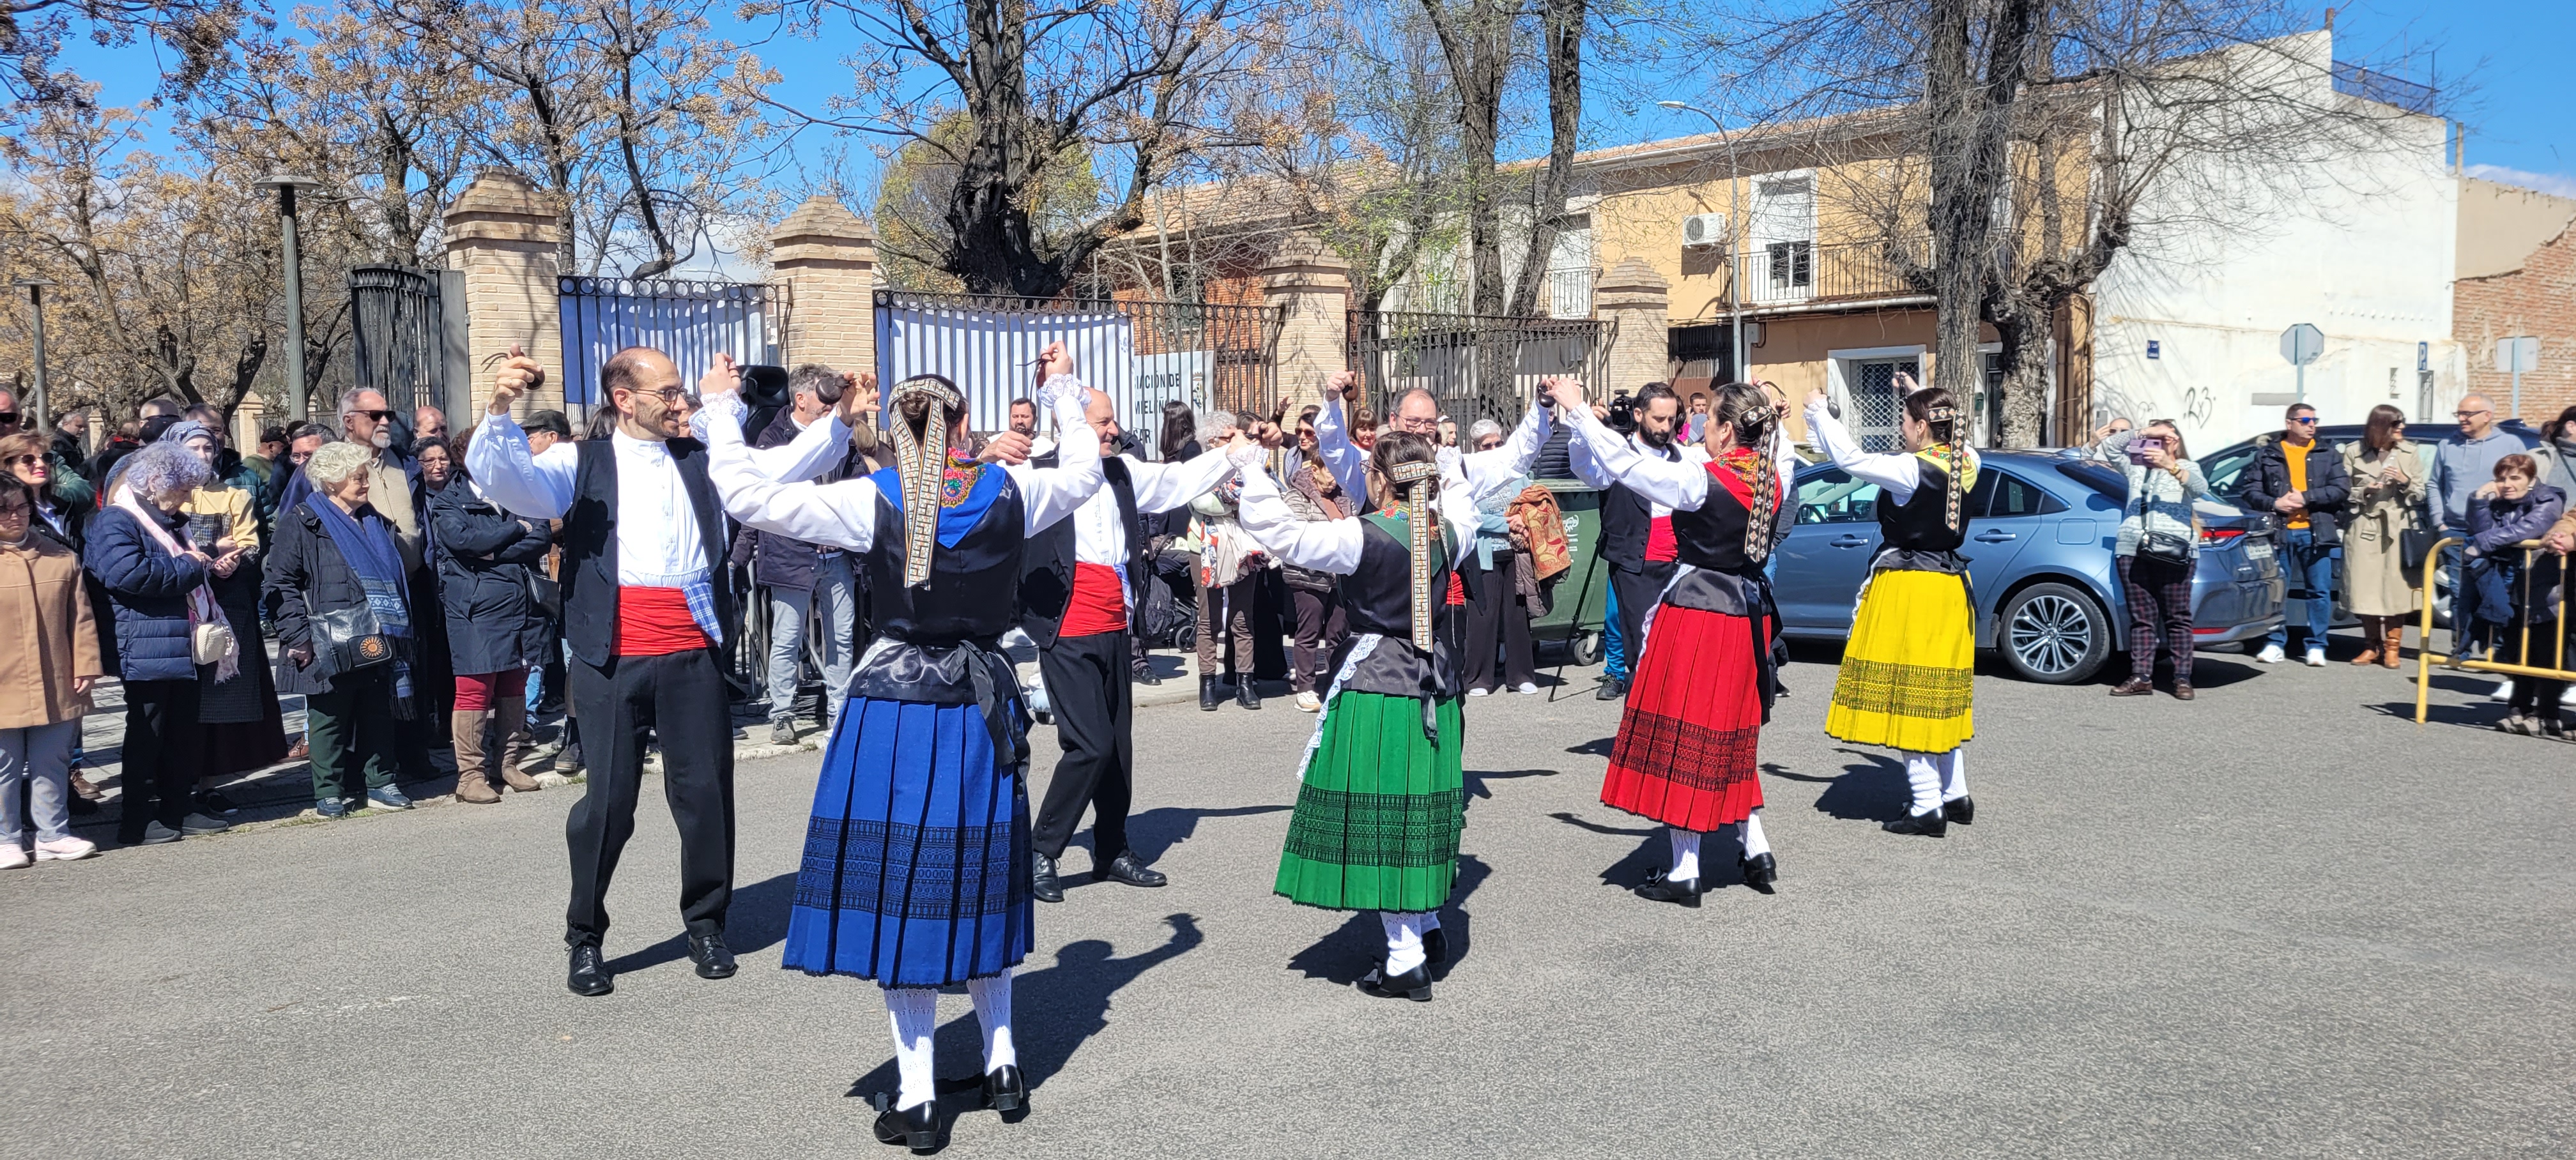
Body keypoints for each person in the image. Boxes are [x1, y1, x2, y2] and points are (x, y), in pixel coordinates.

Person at [696, 351, 1103, 1148]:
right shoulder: (1013, 489)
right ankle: (1004, 1063)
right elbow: (1085, 466)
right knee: (979, 878)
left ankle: (919, 1096)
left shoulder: (869, 498)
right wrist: (1059, 387)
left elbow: (745, 494)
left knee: (905, 888)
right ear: (961, 429)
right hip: (977, 706)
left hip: (895, 709)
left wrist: (720, 409)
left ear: (897, 433)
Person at [470, 344, 853, 998]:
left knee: (705, 797)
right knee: (608, 805)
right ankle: (585, 935)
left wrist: (841, 417)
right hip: (612, 657)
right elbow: (507, 481)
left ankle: (706, 923)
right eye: (668, 392)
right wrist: (502, 407)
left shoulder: (706, 460)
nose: (683, 402)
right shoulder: (578, 461)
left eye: (683, 390)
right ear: (625, 399)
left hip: (693, 655)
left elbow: (783, 466)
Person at [1233, 425, 1506, 1002]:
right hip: (1435, 683)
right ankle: (1428, 928)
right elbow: (1461, 496)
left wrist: (1252, 470)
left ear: (1379, 481)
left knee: (1383, 818)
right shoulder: (1451, 531)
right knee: (1420, 812)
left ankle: (1405, 958)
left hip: (1380, 686)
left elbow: (1281, 533)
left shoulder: (1362, 536)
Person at [1559, 379, 1797, 900]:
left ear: (1728, 430)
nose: (1701, 429)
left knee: (1681, 733)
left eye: (1709, 421)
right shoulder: (1774, 473)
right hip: (1746, 614)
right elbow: (1776, 448)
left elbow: (1629, 470)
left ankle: (1686, 870)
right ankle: (1756, 849)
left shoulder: (1705, 482)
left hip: (1698, 615)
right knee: (1730, 737)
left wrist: (1579, 413)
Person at [1019, 379, 1242, 903]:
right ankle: (1041, 850)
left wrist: (1238, 451)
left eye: (1113, 420)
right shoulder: (1038, 474)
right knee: (1089, 745)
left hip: (1115, 623)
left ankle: (1111, 847)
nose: (1115, 430)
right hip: (1066, 627)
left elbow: (1178, 480)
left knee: (1117, 748)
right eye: (1103, 422)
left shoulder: (1122, 471)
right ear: (1073, 426)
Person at [1804, 372, 1979, 837]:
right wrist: (1918, 392)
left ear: (1923, 427)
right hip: (1950, 586)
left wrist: (1819, 413)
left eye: (1905, 420)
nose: (1902, 428)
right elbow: (1949, 426)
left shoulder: (1911, 470)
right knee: (1937, 693)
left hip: (1911, 588)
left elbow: (1850, 459)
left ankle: (1926, 805)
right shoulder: (1967, 459)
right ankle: (1955, 794)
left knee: (1908, 694)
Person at [268, 440, 427, 818]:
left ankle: (381, 783)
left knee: (377, 712)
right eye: (357, 477)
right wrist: (298, 637)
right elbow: (278, 583)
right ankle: (329, 792)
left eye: (365, 475)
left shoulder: (375, 522)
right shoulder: (303, 522)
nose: (365, 483)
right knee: (328, 718)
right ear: (331, 482)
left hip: (377, 635)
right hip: (326, 637)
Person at [86, 443, 232, 846]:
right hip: (145, 644)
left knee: (182, 733)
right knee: (147, 735)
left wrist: (208, 561)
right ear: (155, 484)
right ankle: (135, 821)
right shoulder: (116, 521)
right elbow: (129, 575)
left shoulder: (172, 521)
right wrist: (192, 564)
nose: (188, 497)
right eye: (183, 489)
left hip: (180, 642)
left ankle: (176, 808)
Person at [737, 365, 868, 745]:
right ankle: (782, 715)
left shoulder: (840, 434)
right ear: (801, 399)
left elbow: (858, 481)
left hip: (837, 554)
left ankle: (838, 712)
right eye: (823, 396)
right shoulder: (772, 437)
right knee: (787, 638)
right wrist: (740, 555)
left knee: (841, 638)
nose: (829, 403)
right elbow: (757, 498)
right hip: (791, 554)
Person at [426, 428, 554, 804]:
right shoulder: (447, 500)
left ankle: (507, 763)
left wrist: (495, 555)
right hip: (475, 608)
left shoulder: (517, 490)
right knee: (475, 689)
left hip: (519, 604)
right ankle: (470, 775)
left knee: (514, 682)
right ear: (469, 461)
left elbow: (541, 536)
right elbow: (466, 542)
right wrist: (515, 528)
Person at [164, 421, 287, 810]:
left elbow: (249, 543)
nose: (204, 455)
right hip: (178, 605)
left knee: (220, 697)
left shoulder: (233, 496)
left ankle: (209, 783)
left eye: (209, 449)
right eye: (196, 448)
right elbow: (165, 547)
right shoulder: (164, 498)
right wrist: (213, 545)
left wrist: (232, 559)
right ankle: (172, 780)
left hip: (226, 603)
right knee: (181, 699)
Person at [0, 475, 104, 867]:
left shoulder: (59, 556)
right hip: (4, 681)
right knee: (4, 766)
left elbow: (81, 618)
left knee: (52, 761)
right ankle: (6, 838)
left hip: (56, 676)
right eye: (5, 509)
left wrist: (87, 665)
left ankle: (53, 834)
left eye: (22, 507)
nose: (15, 516)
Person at [1567, 383, 1693, 700]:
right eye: (1659, 419)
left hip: (1682, 564)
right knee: (1642, 647)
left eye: (1672, 420)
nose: (1666, 427)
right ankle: (1641, 725)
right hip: (1637, 564)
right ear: (1638, 414)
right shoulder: (1617, 454)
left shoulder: (1685, 458)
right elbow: (1585, 469)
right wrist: (1583, 431)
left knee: (1678, 649)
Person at [2430, 394, 2551, 661]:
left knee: (2498, 592)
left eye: (2467, 414)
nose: (2461, 419)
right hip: (2455, 530)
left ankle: (2496, 651)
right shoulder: (2446, 445)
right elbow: (2433, 485)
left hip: (2496, 531)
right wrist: (2440, 521)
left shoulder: (2510, 443)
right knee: (2460, 592)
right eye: (2458, 414)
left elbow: (2523, 482)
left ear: (2487, 416)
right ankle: (2460, 649)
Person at [2096, 422, 2207, 698]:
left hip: (2175, 551)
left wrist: (2170, 464)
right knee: (2142, 618)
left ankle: (2182, 679)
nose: (2159, 444)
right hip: (2133, 549)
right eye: (2157, 439)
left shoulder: (2187, 468)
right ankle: (2141, 677)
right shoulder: (2136, 469)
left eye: (2166, 438)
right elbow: (2109, 447)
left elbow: (2200, 489)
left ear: (2177, 442)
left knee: (2177, 617)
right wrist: (2143, 433)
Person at [2239, 403, 2351, 666]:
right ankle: (2275, 643)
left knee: (2319, 591)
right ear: (2289, 424)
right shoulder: (2268, 454)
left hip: (2316, 531)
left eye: (2314, 420)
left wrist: (2307, 498)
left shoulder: (2327, 452)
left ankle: (2316, 646)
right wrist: (2275, 504)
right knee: (2277, 591)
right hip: (2279, 532)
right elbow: (2250, 491)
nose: (2312, 425)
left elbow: (2341, 489)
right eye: (2305, 420)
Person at [2465, 455, 2566, 733]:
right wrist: (2479, 497)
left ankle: (2546, 713)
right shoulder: (2498, 502)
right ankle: (2517, 708)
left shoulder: (2549, 500)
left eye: (2515, 478)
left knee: (2545, 654)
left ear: (2531, 480)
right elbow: (2481, 529)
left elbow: (2531, 528)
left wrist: (2482, 543)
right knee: (2514, 652)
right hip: (2509, 588)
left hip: (2544, 588)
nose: (2506, 485)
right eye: (2501, 479)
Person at [2343, 406, 2428, 669]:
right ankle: (2371, 646)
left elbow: (2421, 493)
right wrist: (2364, 490)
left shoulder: (2410, 452)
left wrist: (2404, 481)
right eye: (2396, 424)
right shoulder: (2353, 451)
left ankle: (2393, 648)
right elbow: (2341, 490)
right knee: (2364, 588)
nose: (2402, 429)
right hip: (2364, 526)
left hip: (2396, 527)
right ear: (2380, 427)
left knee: (2395, 590)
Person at [1459, 418, 1540, 696]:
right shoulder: (1468, 473)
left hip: (1517, 552)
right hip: (1484, 552)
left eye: (1498, 443)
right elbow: (1469, 514)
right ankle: (1478, 678)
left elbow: (1531, 500)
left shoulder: (1517, 470)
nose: (1493, 448)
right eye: (1486, 445)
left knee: (1518, 614)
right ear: (1476, 447)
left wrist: (1524, 519)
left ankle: (1521, 675)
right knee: (1484, 615)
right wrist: (1507, 523)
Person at [1282, 406, 1353, 712]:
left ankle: (1334, 682)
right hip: (1308, 575)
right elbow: (1299, 533)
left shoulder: (1345, 497)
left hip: (1338, 576)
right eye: (1329, 472)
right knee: (1309, 631)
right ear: (1315, 470)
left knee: (1338, 631)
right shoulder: (1296, 495)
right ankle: (1306, 688)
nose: (1335, 479)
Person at [49, 409, 88, 475]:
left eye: (84, 427)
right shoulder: (57, 442)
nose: (82, 430)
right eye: (79, 426)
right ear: (66, 424)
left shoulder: (73, 444)